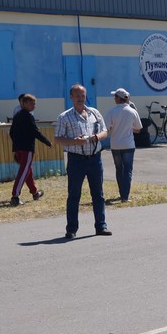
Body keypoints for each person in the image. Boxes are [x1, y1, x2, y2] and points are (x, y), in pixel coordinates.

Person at [54, 84, 110, 239]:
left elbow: (105, 131)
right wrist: (74, 141)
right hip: (76, 160)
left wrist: (98, 137)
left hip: (95, 159)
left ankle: (101, 226)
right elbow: (57, 139)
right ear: (71, 97)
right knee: (74, 195)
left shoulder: (94, 113)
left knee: (98, 194)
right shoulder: (64, 117)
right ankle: (71, 229)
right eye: (77, 95)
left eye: (82, 95)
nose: (80, 98)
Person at [9, 94, 52, 206]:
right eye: (31, 103)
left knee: (28, 172)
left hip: (18, 148)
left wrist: (15, 146)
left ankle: (35, 193)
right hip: (27, 149)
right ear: (24, 103)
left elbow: (11, 132)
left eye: (34, 103)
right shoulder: (28, 116)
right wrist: (47, 142)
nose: (34, 105)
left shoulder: (17, 115)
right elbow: (35, 132)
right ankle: (15, 196)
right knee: (23, 172)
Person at [104, 88, 142, 203]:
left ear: (118, 99)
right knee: (128, 170)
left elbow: (107, 128)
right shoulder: (132, 111)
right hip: (128, 144)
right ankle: (125, 195)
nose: (114, 98)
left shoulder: (111, 112)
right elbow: (138, 129)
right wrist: (129, 127)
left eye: (115, 97)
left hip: (115, 144)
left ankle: (122, 192)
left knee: (119, 169)